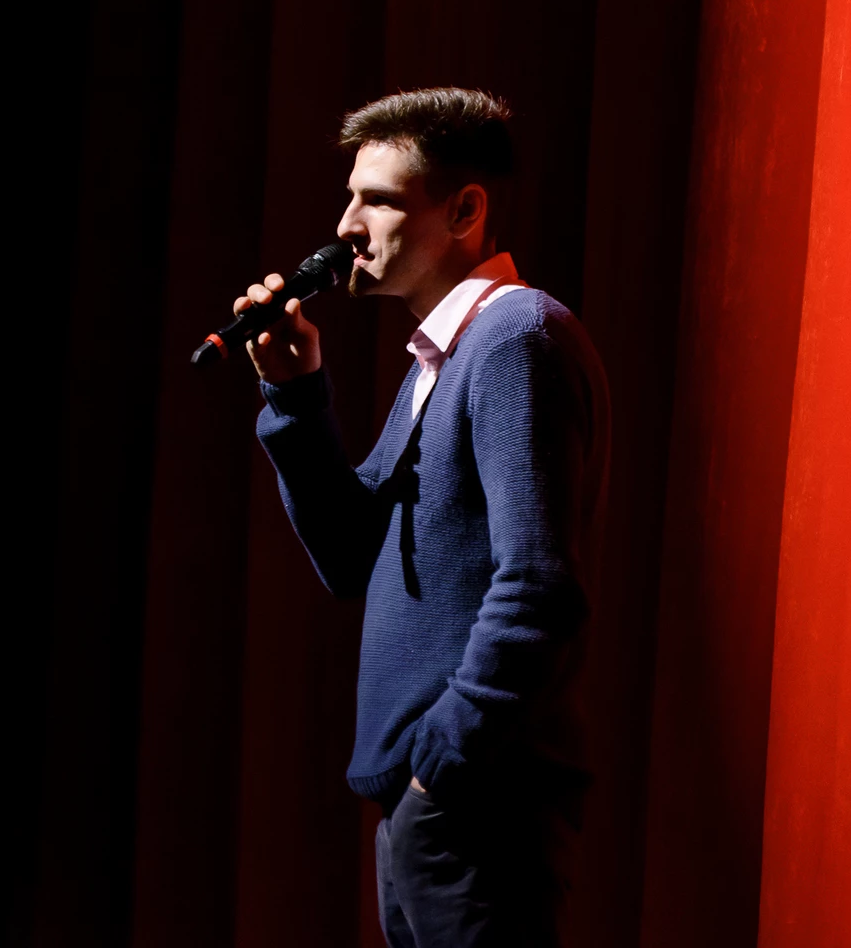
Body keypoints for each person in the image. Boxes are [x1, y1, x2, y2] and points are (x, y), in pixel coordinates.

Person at [233, 88, 611, 947]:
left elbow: (539, 583)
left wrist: (441, 760)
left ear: (464, 212)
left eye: (378, 201)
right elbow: (351, 556)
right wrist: (294, 397)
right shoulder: (446, 355)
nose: (346, 227)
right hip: (438, 800)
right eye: (349, 198)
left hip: (474, 797)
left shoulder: (513, 338)